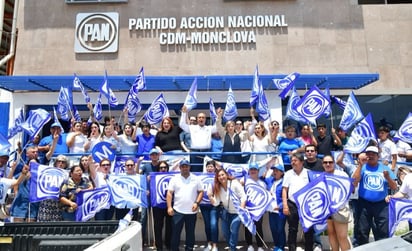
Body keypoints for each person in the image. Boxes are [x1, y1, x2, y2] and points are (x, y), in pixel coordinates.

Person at [352, 145, 397, 245]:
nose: (371, 156)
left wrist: (388, 177)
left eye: (373, 154)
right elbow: (354, 182)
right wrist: (360, 165)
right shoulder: (362, 168)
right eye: (369, 154)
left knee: (383, 232)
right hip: (364, 204)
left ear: (378, 156)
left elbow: (394, 187)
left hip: (381, 205)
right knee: (362, 231)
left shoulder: (385, 168)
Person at [166, 159, 204, 251]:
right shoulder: (175, 179)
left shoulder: (196, 178)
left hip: (191, 211)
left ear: (189, 167)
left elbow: (201, 191)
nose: (184, 168)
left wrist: (197, 203)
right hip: (177, 211)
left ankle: (189, 249)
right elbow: (169, 193)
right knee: (175, 233)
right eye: (183, 166)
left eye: (186, 166)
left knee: (190, 233)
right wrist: (169, 207)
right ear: (180, 168)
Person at [208, 169, 246, 251]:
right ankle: (232, 247)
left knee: (234, 230)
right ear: (217, 178)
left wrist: (242, 210)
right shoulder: (218, 187)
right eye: (219, 176)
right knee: (225, 232)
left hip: (237, 212)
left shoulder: (234, 183)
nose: (221, 177)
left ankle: (232, 248)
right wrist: (210, 197)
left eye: (223, 174)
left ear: (226, 175)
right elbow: (216, 203)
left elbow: (243, 197)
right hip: (226, 212)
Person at [282, 153, 313, 251]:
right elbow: (284, 190)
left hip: (306, 205)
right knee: (292, 229)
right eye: (292, 161)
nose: (292, 163)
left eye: (295, 160)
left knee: (308, 229)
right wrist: (285, 205)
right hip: (292, 204)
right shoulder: (288, 173)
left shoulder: (309, 173)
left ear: (302, 162)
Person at [322, 155, 351, 251]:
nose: (328, 164)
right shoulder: (321, 176)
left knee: (342, 236)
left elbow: (348, 190)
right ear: (322, 164)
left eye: (330, 162)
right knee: (331, 234)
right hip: (327, 209)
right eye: (325, 162)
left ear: (334, 163)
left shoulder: (342, 175)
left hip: (340, 209)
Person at [179, 105, 221, 171]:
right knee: (195, 171)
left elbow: (217, 127)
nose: (201, 119)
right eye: (199, 117)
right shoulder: (192, 127)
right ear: (197, 119)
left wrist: (219, 116)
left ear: (205, 119)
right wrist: (184, 113)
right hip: (194, 153)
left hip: (207, 152)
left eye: (203, 117)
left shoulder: (209, 128)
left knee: (207, 172)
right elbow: (182, 125)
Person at [10, 145, 40, 222]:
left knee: (31, 224)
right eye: (33, 152)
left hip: (33, 202)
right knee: (17, 223)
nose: (35, 153)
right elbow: (14, 181)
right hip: (21, 200)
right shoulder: (22, 168)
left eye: (37, 152)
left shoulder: (40, 171)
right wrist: (16, 192)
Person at [37, 154, 69, 222]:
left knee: (56, 225)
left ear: (66, 164)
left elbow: (65, 188)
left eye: (63, 162)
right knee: (43, 223)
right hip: (46, 200)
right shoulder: (48, 171)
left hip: (58, 202)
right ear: (55, 162)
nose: (60, 163)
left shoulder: (67, 174)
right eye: (59, 161)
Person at [152, 161, 172, 251]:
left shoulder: (173, 178)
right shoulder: (153, 177)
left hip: (169, 205)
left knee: (170, 226)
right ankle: (159, 247)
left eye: (165, 167)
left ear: (167, 168)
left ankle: (168, 244)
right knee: (158, 227)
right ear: (158, 169)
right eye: (161, 168)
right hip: (157, 206)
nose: (163, 169)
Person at [244, 163, 265, 251]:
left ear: (258, 171)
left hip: (258, 209)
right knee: (247, 227)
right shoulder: (244, 181)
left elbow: (265, 196)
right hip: (247, 208)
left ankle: (260, 246)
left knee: (258, 227)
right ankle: (249, 245)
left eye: (255, 169)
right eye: (251, 169)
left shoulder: (262, 183)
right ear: (249, 171)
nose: (253, 171)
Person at [200, 160, 219, 251]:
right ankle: (209, 244)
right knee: (207, 225)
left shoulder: (218, 177)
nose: (209, 168)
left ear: (215, 168)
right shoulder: (200, 177)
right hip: (203, 205)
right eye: (208, 166)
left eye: (211, 166)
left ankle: (215, 245)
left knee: (213, 224)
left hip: (214, 205)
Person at [267, 164, 286, 251]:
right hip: (271, 210)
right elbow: (260, 178)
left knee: (280, 229)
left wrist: (281, 206)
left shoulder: (284, 183)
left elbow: (288, 196)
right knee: (273, 229)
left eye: (277, 171)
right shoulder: (270, 181)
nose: (274, 172)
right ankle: (276, 245)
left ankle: (281, 246)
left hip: (280, 211)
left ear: (282, 173)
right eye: (274, 170)